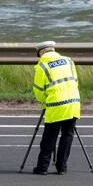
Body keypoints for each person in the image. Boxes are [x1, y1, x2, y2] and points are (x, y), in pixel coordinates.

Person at [31, 41, 81, 175]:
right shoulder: (68, 61)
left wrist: (44, 104)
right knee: (67, 135)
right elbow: (75, 80)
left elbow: (38, 90)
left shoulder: (42, 65)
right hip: (73, 103)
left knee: (49, 137)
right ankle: (62, 167)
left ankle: (42, 167)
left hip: (55, 105)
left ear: (41, 52)